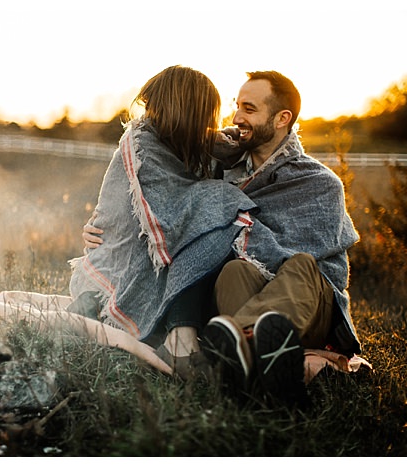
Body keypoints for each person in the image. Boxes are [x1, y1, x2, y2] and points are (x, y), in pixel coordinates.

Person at [83, 71, 362, 406]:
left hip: (305, 305)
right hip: (247, 292)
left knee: (300, 265)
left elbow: (319, 264)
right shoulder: (220, 166)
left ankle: (232, 342)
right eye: (236, 106)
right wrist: (111, 229)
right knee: (235, 271)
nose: (236, 118)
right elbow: (169, 208)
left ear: (281, 119)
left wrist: (245, 230)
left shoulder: (319, 183)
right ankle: (260, 365)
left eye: (249, 109)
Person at [67, 65, 262, 381]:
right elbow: (166, 214)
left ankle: (182, 334)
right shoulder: (141, 143)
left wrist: (226, 145)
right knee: (214, 209)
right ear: (188, 111)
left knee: (212, 221)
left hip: (156, 258)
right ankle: (178, 336)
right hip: (115, 272)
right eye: (207, 114)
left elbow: (188, 201)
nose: (213, 122)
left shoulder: (190, 144)